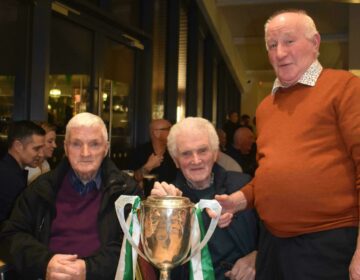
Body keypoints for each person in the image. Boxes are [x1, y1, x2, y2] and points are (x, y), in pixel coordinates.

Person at [215, 9, 360, 280]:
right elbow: (270, 176)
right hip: (272, 244)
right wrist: (238, 201)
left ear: (315, 43)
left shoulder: (345, 88)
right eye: (272, 45)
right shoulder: (266, 107)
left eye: (289, 41)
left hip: (327, 244)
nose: (279, 52)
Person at [0, 112, 141, 279]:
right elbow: (10, 236)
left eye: (94, 144)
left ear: (106, 148)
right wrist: (45, 263)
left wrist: (88, 269)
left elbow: (131, 246)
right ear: (66, 148)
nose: (85, 153)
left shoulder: (126, 191)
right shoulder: (41, 188)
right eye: (76, 144)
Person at [151, 117, 258, 280]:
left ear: (215, 154)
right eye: (186, 153)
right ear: (175, 160)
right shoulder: (169, 197)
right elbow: (161, 265)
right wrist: (161, 216)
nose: (196, 160)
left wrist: (256, 257)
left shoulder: (244, 186)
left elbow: (274, 235)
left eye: (202, 151)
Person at [0, 120, 45, 222]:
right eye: (36, 149)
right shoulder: (9, 179)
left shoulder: (11, 171)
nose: (41, 154)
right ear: (18, 146)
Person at [130, 119, 177, 183]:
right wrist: (148, 167)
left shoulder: (174, 152)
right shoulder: (139, 152)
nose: (173, 132)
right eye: (168, 129)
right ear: (156, 133)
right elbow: (130, 180)